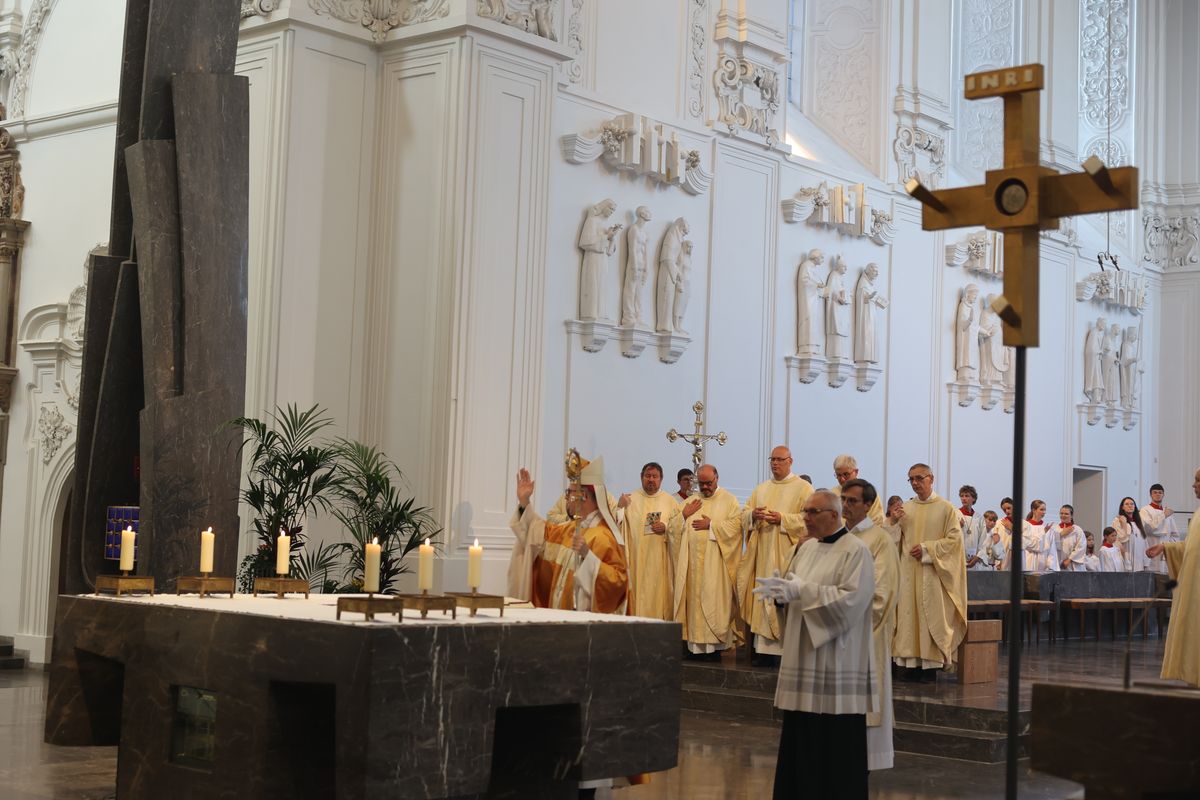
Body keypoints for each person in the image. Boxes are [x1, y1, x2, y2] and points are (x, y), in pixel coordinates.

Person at [752, 489, 875, 799]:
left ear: (833, 516)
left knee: (834, 742)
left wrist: (802, 592)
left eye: (811, 512)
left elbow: (851, 602)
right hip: (803, 657)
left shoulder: (856, 551)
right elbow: (796, 592)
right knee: (801, 737)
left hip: (836, 662)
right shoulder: (805, 550)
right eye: (805, 511)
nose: (804, 517)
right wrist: (782, 598)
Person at [507, 456, 628, 613]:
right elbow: (537, 534)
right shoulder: (569, 529)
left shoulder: (604, 537)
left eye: (569, 492)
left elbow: (618, 582)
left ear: (583, 496)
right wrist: (524, 503)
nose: (565, 498)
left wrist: (587, 555)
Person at [736, 446, 814, 667]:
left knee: (782, 600)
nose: (775, 463)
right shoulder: (761, 488)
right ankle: (762, 652)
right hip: (762, 554)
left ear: (791, 461)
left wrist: (783, 519)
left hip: (787, 555)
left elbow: (809, 518)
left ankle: (784, 654)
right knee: (763, 598)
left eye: (780, 460)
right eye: (773, 459)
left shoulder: (803, 488)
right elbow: (743, 515)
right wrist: (753, 515)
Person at [842, 478, 898, 772]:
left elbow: (883, 592)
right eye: (844, 500)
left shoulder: (879, 540)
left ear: (868, 505)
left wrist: (849, 621)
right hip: (838, 634)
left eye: (852, 501)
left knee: (868, 698)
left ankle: (869, 759)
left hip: (865, 633)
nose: (846, 506)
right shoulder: (840, 538)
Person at [892, 463, 967, 683]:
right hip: (908, 573)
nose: (915, 483)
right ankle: (908, 663)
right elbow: (894, 540)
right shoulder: (906, 508)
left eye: (919, 478)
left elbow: (955, 542)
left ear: (931, 478)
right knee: (908, 617)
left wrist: (927, 549)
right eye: (911, 479)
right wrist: (893, 521)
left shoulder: (946, 508)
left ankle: (928, 666)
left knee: (928, 617)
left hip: (933, 573)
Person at [674, 464, 742, 660]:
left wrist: (711, 525)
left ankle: (713, 649)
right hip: (692, 568)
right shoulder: (692, 501)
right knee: (694, 605)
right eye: (701, 483)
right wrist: (683, 515)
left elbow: (736, 527)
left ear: (717, 479)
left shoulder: (729, 500)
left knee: (713, 604)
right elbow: (672, 529)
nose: (705, 487)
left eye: (708, 483)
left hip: (716, 567)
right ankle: (694, 648)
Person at [1146, 468, 1200, 687]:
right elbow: (1191, 547)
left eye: (1197, 480)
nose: (1193, 485)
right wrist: (1167, 547)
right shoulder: (1198, 514)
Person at [619, 462, 684, 620]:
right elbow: (618, 527)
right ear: (641, 477)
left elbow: (681, 527)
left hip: (659, 563)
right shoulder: (630, 499)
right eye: (647, 476)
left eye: (655, 476)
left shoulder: (670, 502)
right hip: (636, 562)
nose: (651, 480)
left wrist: (667, 527)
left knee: (658, 597)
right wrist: (620, 508)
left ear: (661, 479)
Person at [831, 454, 884, 526]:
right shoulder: (832, 494)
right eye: (838, 475)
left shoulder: (868, 492)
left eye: (846, 474)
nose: (842, 479)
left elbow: (877, 520)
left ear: (856, 472)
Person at [1140, 483, 1179, 574]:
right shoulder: (1145, 510)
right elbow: (1149, 528)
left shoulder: (1166, 511)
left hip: (1165, 554)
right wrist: (1163, 515)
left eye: (1160, 492)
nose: (1158, 494)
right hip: (1151, 549)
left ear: (1163, 494)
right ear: (1150, 495)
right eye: (1155, 492)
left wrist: (1167, 545)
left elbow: (1175, 534)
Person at [958, 485, 989, 571]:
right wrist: (957, 527)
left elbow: (983, 540)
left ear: (974, 499)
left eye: (967, 496)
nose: (963, 498)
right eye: (962, 496)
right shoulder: (955, 514)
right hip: (958, 558)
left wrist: (978, 557)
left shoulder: (979, 518)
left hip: (974, 560)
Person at [1022, 500, 1058, 572]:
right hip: (1028, 560)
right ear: (1034, 510)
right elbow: (1028, 545)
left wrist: (1050, 567)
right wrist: (1043, 533)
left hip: (1042, 563)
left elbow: (1052, 550)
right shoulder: (1025, 526)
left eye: (1045, 510)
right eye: (1041, 509)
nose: (1044, 512)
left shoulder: (1048, 529)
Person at [1112, 496, 1146, 571]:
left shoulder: (1139, 523)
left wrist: (1145, 561)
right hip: (1126, 555)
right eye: (1127, 504)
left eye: (1132, 504)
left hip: (1139, 558)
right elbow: (1121, 539)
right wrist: (1124, 524)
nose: (1130, 505)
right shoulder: (1117, 520)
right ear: (1122, 507)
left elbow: (1144, 542)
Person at [1056, 505, 1087, 571]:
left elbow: (1081, 546)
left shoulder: (1077, 530)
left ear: (1072, 516)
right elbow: (1051, 544)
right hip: (1058, 563)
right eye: (1061, 513)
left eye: (1066, 514)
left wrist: (1069, 560)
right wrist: (1060, 534)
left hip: (1074, 564)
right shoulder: (1055, 529)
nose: (1063, 515)